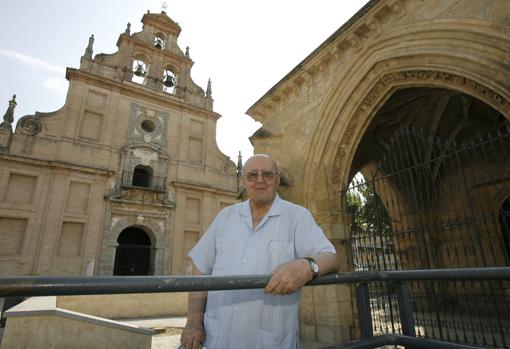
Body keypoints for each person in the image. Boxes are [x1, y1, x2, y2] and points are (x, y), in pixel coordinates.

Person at [180, 154, 339, 349]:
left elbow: (330, 257)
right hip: (218, 338)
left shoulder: (297, 216)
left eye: (267, 174)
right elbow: (200, 267)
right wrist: (194, 322)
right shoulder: (225, 217)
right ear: (244, 181)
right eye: (252, 175)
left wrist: (307, 266)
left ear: (278, 179)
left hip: (270, 341)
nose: (260, 180)